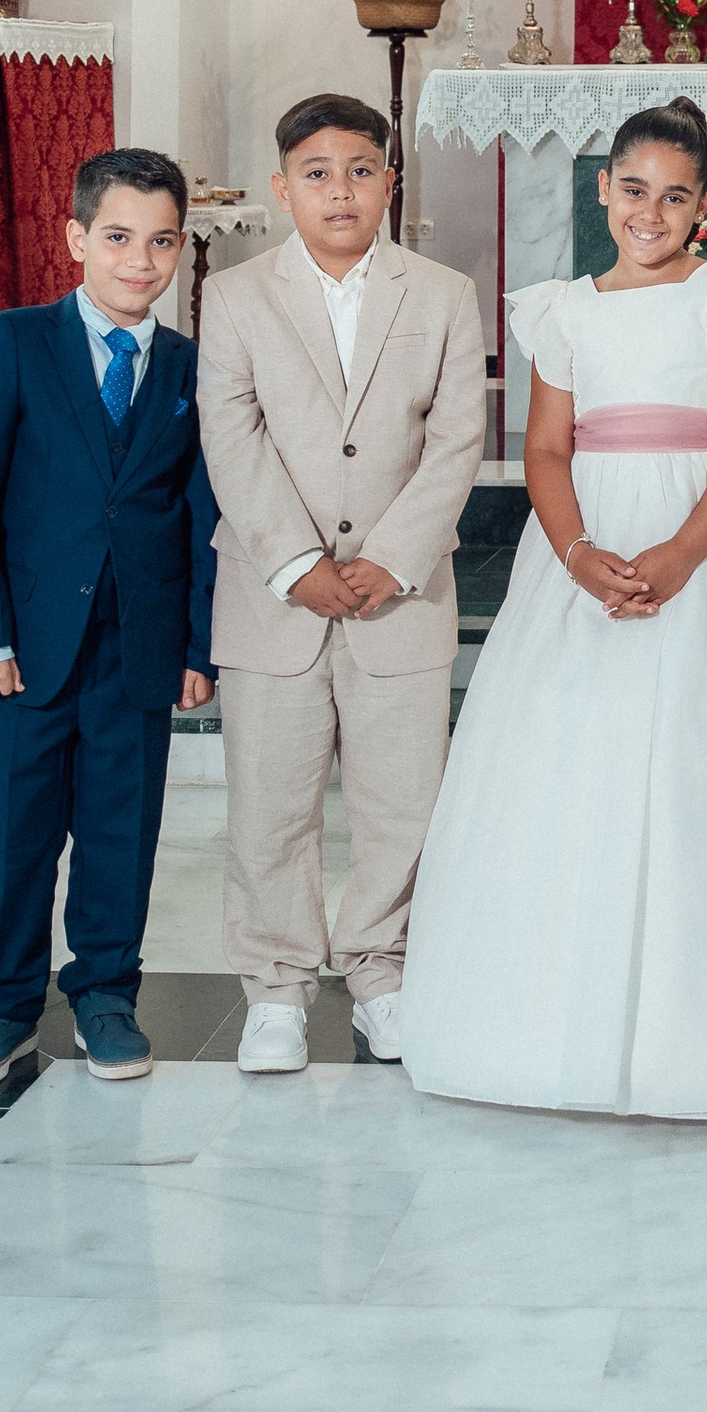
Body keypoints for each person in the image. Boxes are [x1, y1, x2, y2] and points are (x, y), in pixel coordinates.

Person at [399, 99, 707, 1118]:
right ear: (603, 190)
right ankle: (547, 1017)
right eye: (634, 189)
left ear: (703, 205)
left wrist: (681, 551)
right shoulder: (561, 311)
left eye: (675, 196)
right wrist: (578, 554)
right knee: (571, 761)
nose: (651, 212)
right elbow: (548, 448)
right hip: (589, 544)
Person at [197, 92, 488, 1073]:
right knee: (271, 804)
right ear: (284, 190)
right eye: (317, 173)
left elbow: (456, 438)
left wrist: (393, 557)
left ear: (388, 183)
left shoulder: (441, 294)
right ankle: (276, 988)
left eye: (361, 171)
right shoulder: (236, 296)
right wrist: (295, 564)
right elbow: (232, 438)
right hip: (271, 597)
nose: (340, 191)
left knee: (402, 803)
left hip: (402, 593)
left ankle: (381, 974)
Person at [0, 148, 217, 1093]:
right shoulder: (18, 342)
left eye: (162, 241)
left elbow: (201, 516)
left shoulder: (188, 367)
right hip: (22, 648)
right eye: (120, 237)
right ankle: (2, 1007)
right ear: (77, 239)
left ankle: (105, 996)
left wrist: (196, 645)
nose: (141, 260)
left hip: (139, 646)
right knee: (12, 828)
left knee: (119, 830)